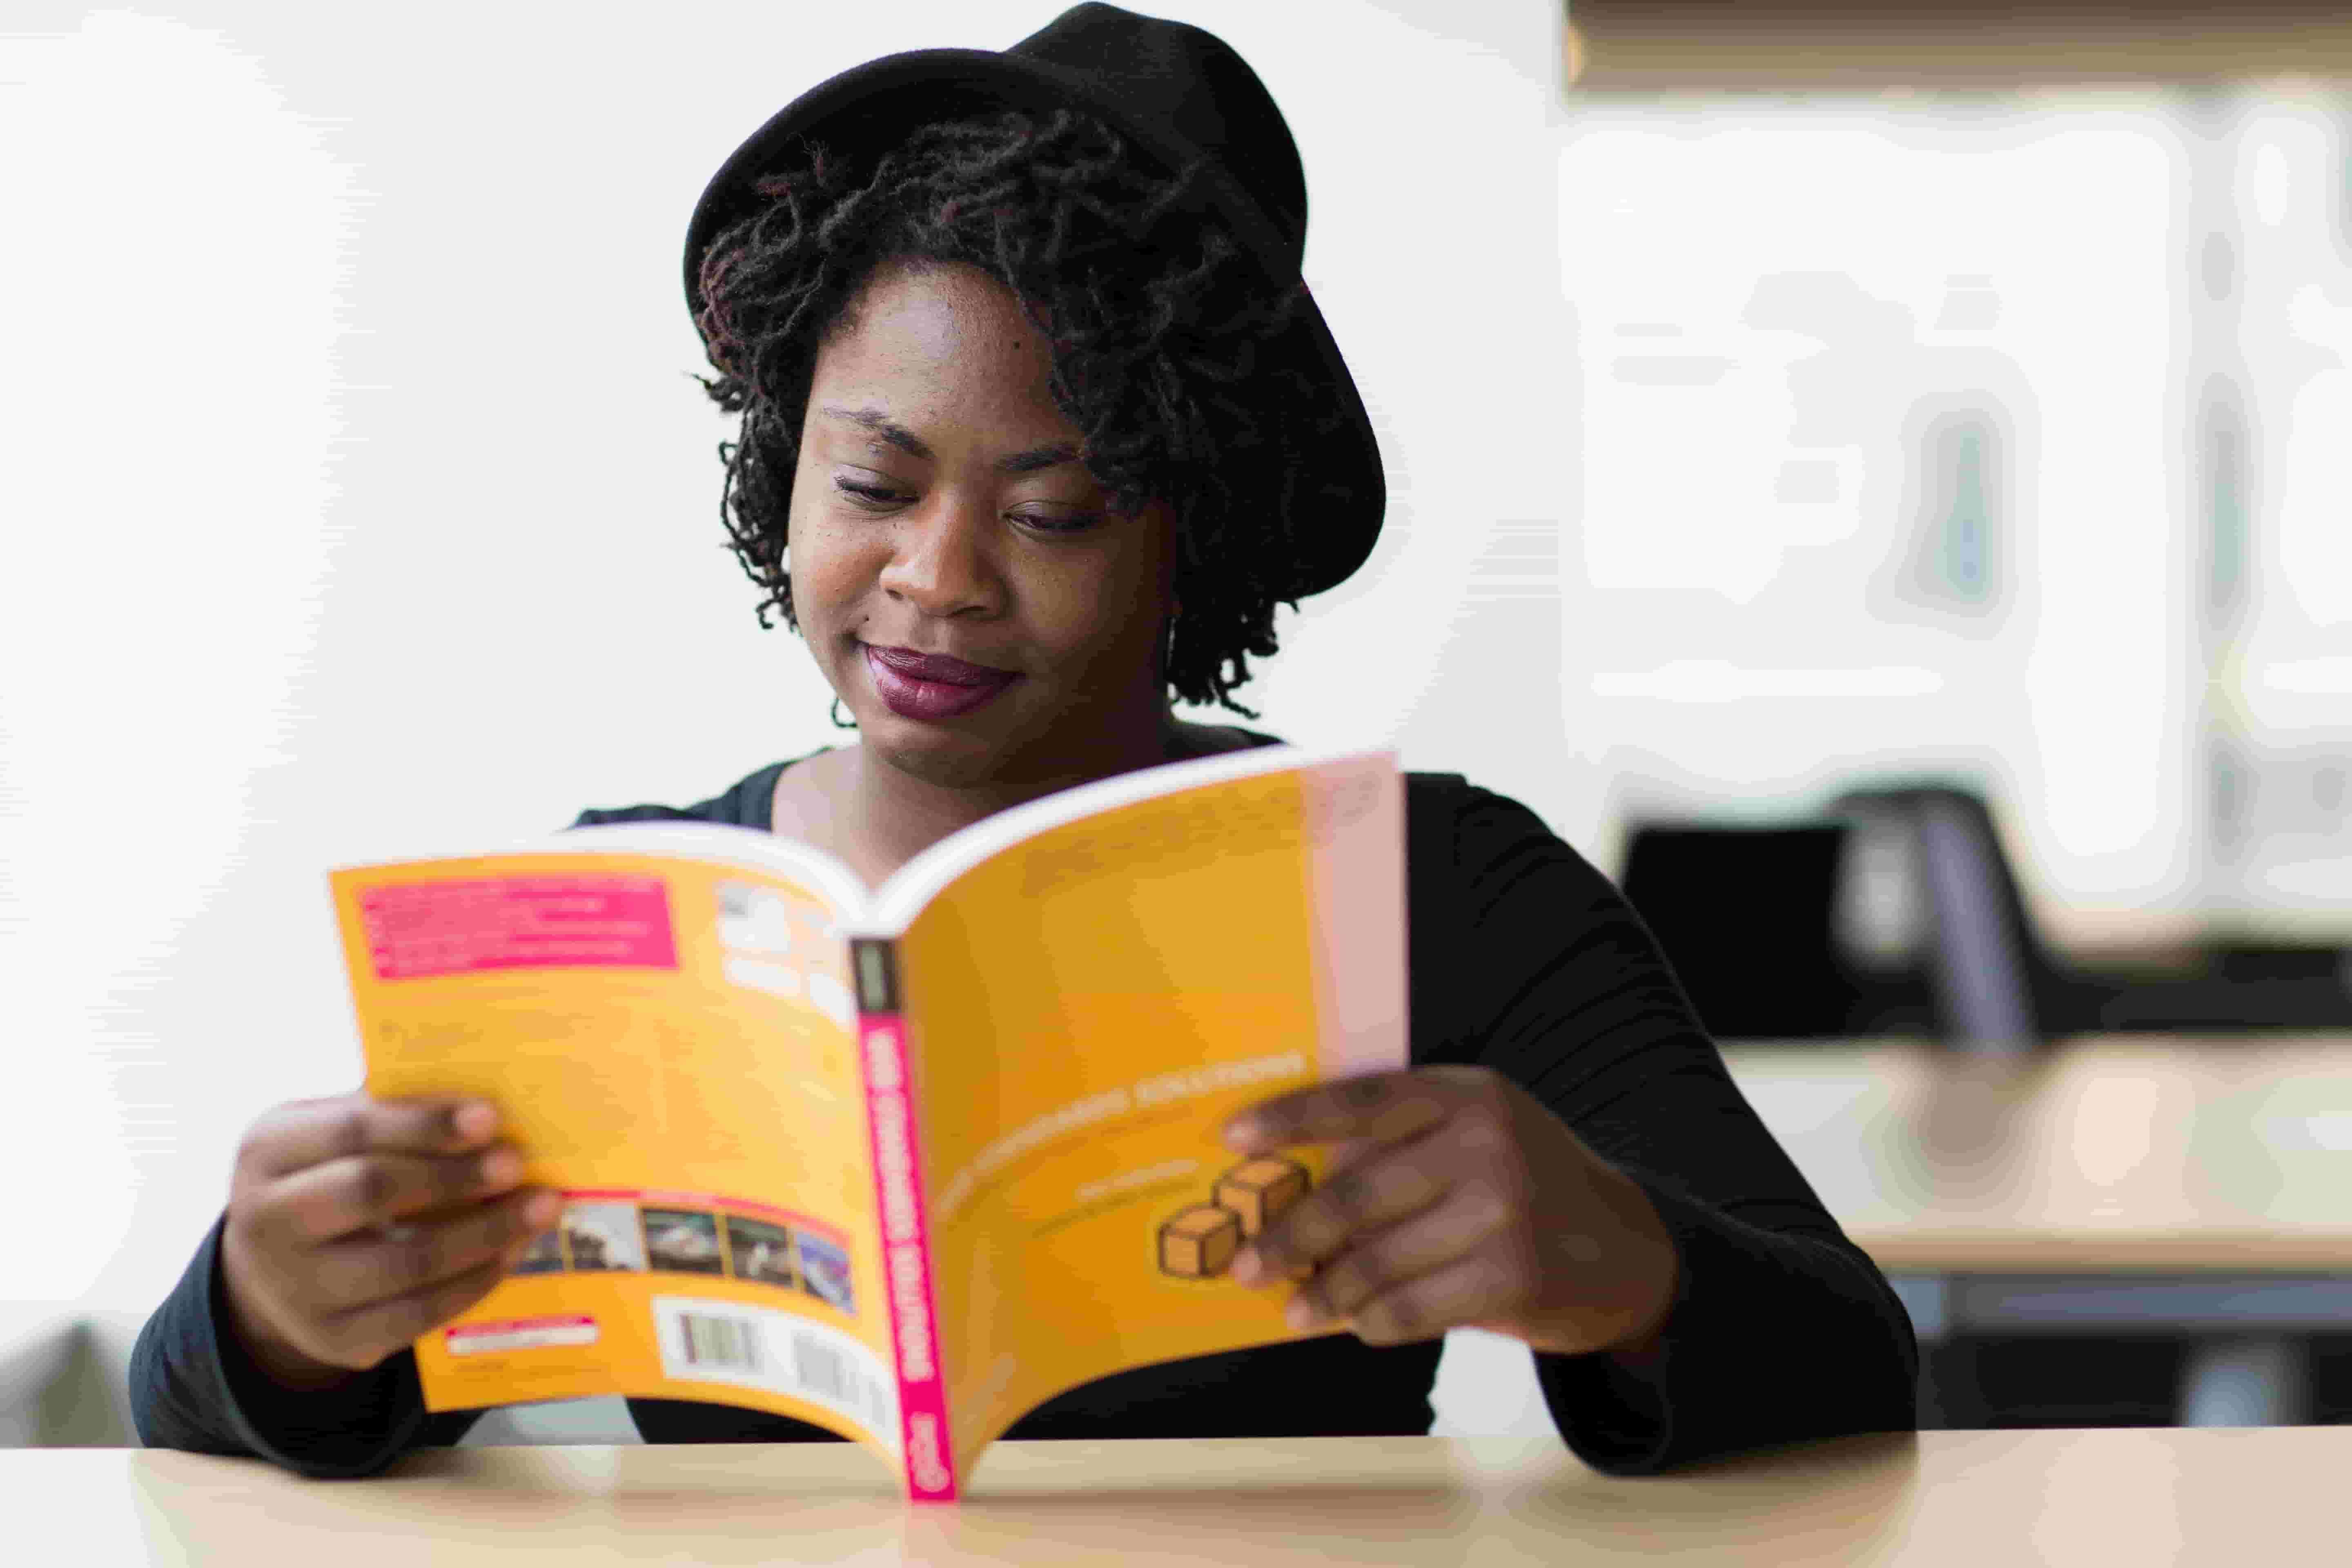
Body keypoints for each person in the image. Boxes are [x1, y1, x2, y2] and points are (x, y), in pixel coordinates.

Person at [131, 3, 1917, 1479]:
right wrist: (284, 1310)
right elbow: (223, 1411)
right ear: (782, 475)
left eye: (1053, 514)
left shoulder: (1434, 891)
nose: (936, 579)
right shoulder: (634, 906)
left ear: (1180, 538)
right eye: (871, 485)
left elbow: (1854, 1371)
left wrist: (1623, 1267)